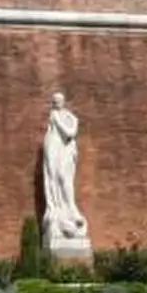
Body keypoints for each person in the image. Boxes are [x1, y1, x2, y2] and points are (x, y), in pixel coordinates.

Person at [42, 92, 88, 241]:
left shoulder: (68, 116)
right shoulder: (54, 116)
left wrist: (63, 120)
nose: (57, 104)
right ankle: (58, 210)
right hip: (53, 147)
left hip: (66, 149)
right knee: (53, 179)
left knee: (64, 178)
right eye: (55, 101)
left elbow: (71, 132)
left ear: (63, 102)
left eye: (59, 101)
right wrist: (70, 121)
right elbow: (66, 133)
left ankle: (71, 209)